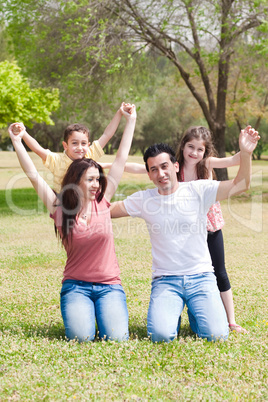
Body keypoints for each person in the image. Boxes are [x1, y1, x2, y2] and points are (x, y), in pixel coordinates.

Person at [110, 127, 259, 342]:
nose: (161, 174)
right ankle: (174, 309)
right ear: (149, 174)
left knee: (217, 336)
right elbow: (109, 209)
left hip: (202, 278)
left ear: (175, 166)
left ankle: (197, 309)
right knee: (160, 336)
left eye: (164, 166)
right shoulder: (144, 199)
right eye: (154, 170)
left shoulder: (199, 190)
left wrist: (245, 153)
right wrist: (73, 206)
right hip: (166, 281)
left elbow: (242, 185)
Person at [8, 103, 137, 342]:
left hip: (109, 286)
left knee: (117, 339)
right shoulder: (60, 208)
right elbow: (33, 175)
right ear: (75, 180)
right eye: (90, 180)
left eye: (98, 179)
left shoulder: (103, 201)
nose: (96, 184)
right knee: (81, 338)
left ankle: (104, 312)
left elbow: (121, 158)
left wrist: (130, 121)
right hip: (76, 287)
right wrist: (17, 140)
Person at [12, 103, 133, 193]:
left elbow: (107, 134)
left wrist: (119, 113)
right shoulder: (57, 161)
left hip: (87, 205)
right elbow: (38, 149)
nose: (80, 148)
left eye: (84, 143)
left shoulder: (89, 155)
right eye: (74, 143)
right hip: (64, 207)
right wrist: (23, 133)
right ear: (65, 145)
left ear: (88, 145)